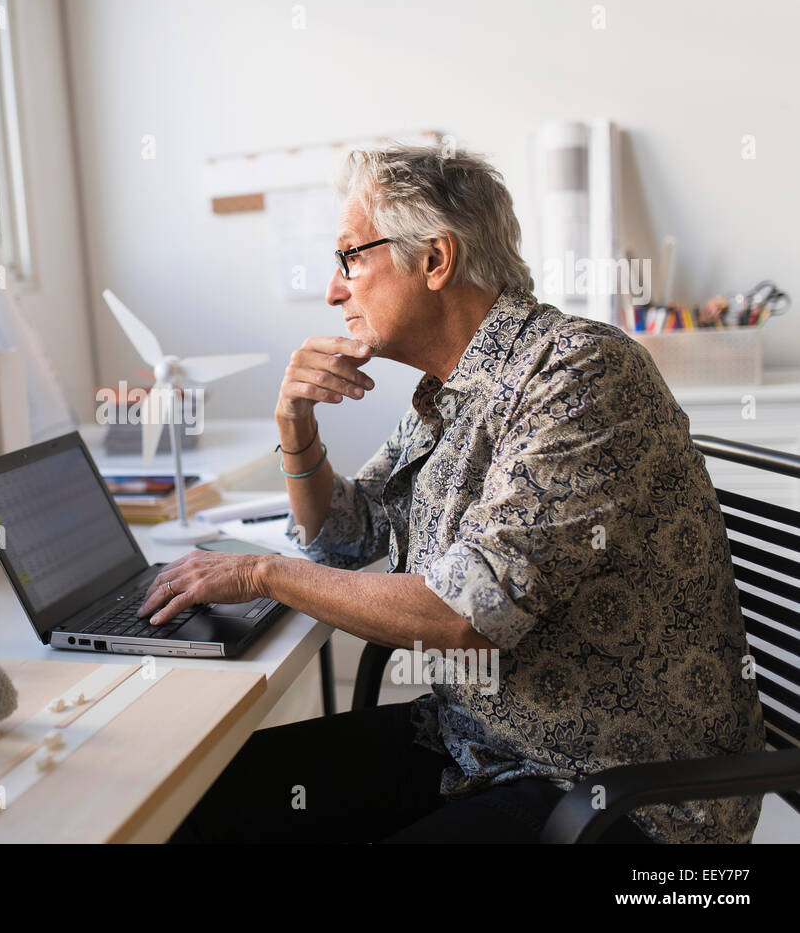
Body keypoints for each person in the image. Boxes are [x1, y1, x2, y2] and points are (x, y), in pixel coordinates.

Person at [138, 144, 765, 843]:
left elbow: (468, 614)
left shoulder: (578, 373)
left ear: (435, 260)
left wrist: (262, 572)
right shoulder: (453, 389)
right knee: (204, 797)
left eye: (351, 256)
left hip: (612, 786)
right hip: (478, 745)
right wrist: (294, 425)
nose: (333, 289)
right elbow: (347, 533)